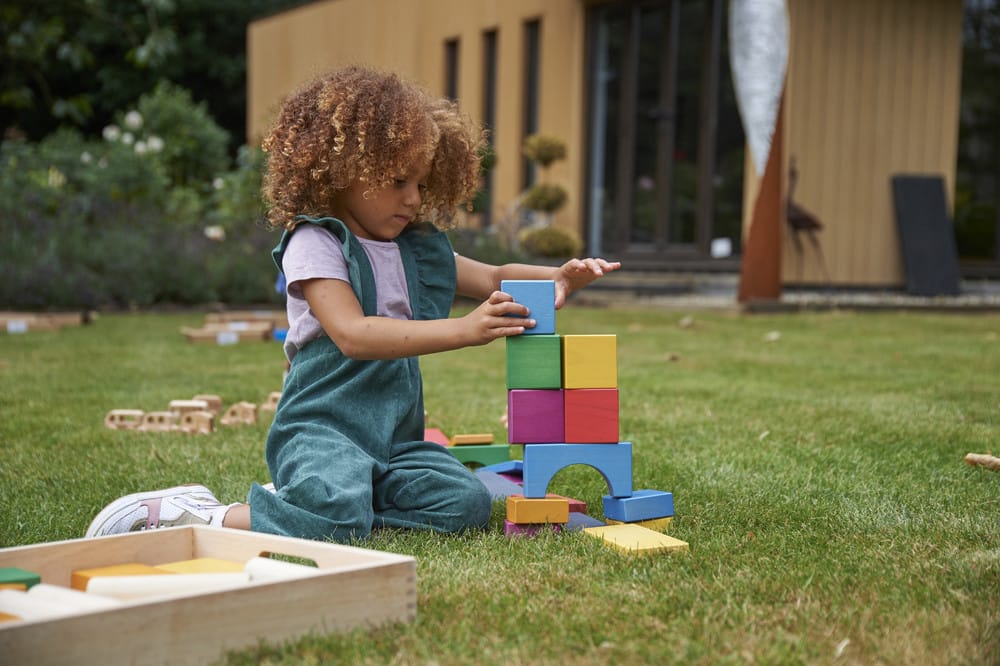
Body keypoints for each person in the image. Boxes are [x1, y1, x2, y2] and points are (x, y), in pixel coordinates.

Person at [86, 65, 621, 543]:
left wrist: (559, 278)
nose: (413, 197)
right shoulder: (315, 243)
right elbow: (353, 334)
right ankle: (205, 515)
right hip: (322, 429)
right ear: (343, 170)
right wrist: (464, 330)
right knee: (335, 521)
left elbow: (496, 276)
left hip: (393, 442)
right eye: (396, 181)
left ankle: (329, 499)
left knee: (466, 504)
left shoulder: (413, 246)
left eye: (420, 181)